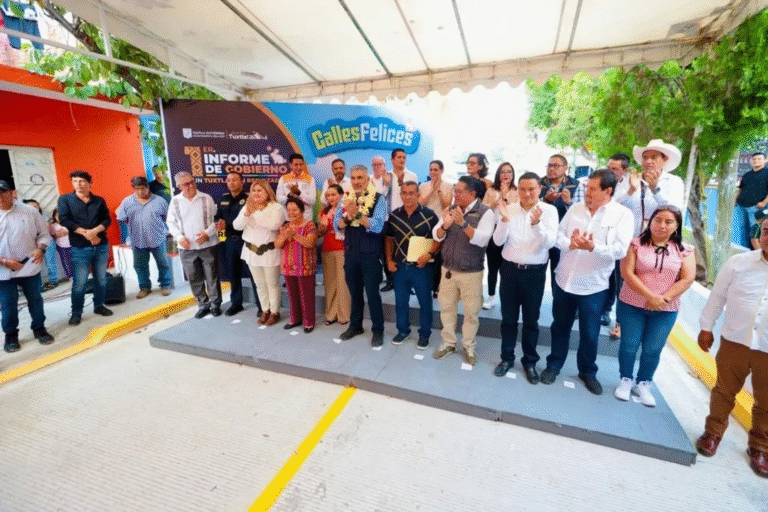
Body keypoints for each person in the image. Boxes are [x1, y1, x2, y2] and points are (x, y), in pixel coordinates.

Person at [540, 169, 633, 394]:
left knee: (590, 333)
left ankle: (587, 371)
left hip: (594, 285)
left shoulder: (622, 215)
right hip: (565, 280)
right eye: (587, 187)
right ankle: (554, 364)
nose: (586, 191)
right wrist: (571, 244)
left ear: (607, 191)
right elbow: (559, 237)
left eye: (592, 188)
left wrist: (593, 247)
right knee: (559, 326)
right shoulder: (575, 209)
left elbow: (620, 251)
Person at [696, 216, 768, 478]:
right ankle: (712, 433)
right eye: (767, 231)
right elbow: (718, 296)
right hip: (734, 341)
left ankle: (760, 447)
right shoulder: (739, 263)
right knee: (724, 391)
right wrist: (706, 327)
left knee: (767, 403)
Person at [614, 206, 695, 406]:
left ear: (677, 226)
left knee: (653, 348)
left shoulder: (684, 250)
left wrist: (663, 299)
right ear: (650, 221)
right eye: (658, 220)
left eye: (669, 222)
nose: (662, 225)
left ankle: (644, 383)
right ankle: (625, 379)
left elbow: (687, 278)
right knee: (630, 344)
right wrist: (650, 296)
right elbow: (627, 273)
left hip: (665, 310)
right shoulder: (635, 245)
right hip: (632, 304)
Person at [492, 172, 558, 382]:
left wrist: (536, 223)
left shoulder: (550, 211)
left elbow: (549, 244)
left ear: (540, 189)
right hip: (510, 271)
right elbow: (497, 240)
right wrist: (503, 219)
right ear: (517, 189)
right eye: (522, 189)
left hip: (535, 273)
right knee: (508, 320)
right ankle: (507, 358)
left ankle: (530, 362)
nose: (526, 193)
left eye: (531, 189)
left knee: (531, 321)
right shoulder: (509, 209)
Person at [432, 176, 494, 365]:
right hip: (448, 271)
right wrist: (445, 225)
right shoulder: (451, 209)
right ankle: (449, 343)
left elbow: (482, 240)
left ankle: (469, 346)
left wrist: (463, 224)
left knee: (471, 313)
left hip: (471, 273)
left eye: (459, 192)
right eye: (455, 191)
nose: (455, 195)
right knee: (447, 309)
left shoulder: (486, 213)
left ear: (472, 194)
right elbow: (436, 234)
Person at [334, 165, 388, 346]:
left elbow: (378, 226)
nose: (356, 181)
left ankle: (378, 330)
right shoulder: (344, 199)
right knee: (355, 293)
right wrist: (348, 217)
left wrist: (357, 213)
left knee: (373, 294)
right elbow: (337, 225)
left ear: (368, 179)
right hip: (351, 254)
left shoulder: (379, 199)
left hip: (371, 255)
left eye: (360, 178)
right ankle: (355, 326)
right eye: (354, 178)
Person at [0, 180, 54, 352]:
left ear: (12, 193)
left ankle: (39, 329)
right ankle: (11, 335)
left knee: (35, 298)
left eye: (3, 192)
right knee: (8, 303)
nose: (0, 197)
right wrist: (5, 261)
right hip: (3, 269)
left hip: (29, 266)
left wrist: (40, 249)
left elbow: (44, 235)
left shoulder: (29, 211)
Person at [385, 181, 439, 349]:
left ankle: (424, 334)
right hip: (400, 267)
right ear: (400, 195)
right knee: (401, 302)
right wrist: (389, 260)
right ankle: (403, 331)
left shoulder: (430, 215)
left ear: (418, 195)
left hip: (422, 268)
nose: (408, 196)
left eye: (411, 193)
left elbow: (439, 238)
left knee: (425, 302)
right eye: (404, 193)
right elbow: (389, 239)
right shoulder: (394, 215)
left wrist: (430, 254)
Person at [58, 170, 113, 326]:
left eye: (82, 181)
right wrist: (86, 233)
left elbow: (107, 219)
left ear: (90, 183)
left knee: (101, 278)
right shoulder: (65, 199)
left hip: (100, 245)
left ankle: (99, 305)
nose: (78, 184)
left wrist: (95, 231)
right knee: (80, 281)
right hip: (80, 246)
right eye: (75, 181)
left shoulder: (99, 201)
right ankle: (76, 312)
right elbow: (64, 220)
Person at [167, 172, 222, 319]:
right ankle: (203, 305)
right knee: (194, 278)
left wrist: (207, 233)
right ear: (179, 186)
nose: (191, 186)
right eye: (186, 184)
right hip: (187, 248)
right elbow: (170, 223)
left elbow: (216, 220)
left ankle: (216, 304)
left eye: (192, 182)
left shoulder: (206, 198)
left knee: (212, 276)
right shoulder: (175, 201)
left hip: (208, 245)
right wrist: (179, 237)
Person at [233, 179, 284, 326]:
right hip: (250, 251)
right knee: (259, 284)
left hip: (269, 251)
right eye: (254, 190)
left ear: (268, 193)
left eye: (260, 190)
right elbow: (237, 226)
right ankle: (265, 310)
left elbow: (274, 225)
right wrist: (246, 214)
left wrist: (254, 215)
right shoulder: (248, 207)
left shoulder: (276, 207)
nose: (256, 193)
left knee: (272, 283)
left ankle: (275, 312)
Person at [116, 176, 172, 299]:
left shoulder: (160, 201)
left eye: (143, 188)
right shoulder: (127, 202)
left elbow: (166, 218)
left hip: (157, 238)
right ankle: (145, 287)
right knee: (140, 265)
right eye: (137, 189)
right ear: (133, 189)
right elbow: (123, 219)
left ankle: (165, 285)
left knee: (163, 263)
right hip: (137, 240)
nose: (141, 191)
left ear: (148, 187)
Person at [215, 172, 261, 316]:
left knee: (254, 274)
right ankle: (236, 303)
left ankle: (261, 305)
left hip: (247, 241)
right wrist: (221, 237)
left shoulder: (250, 198)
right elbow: (218, 221)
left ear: (242, 182)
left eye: (235, 180)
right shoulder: (222, 199)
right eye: (228, 180)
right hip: (229, 242)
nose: (231, 183)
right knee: (233, 274)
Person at [602, 153, 633, 339]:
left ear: (624, 170)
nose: (610, 171)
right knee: (608, 278)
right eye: (609, 167)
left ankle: (620, 322)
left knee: (623, 282)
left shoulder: (632, 185)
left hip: (628, 240)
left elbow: (617, 203)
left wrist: (630, 191)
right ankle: (605, 310)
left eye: (614, 169)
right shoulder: (604, 182)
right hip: (607, 237)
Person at [275, 197, 317, 333]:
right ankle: (295, 319)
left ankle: (308, 322)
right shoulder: (286, 226)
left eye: (295, 210)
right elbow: (277, 245)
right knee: (292, 295)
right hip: (288, 266)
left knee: (306, 295)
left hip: (305, 266)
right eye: (288, 210)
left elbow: (310, 243)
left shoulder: (310, 225)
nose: (291, 213)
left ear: (302, 210)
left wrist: (295, 235)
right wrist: (284, 235)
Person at [482, 162, 518, 310]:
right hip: (493, 230)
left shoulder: (517, 191)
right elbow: (483, 209)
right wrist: (494, 200)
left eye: (509, 172)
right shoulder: (491, 190)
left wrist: (505, 197)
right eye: (503, 172)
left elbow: (516, 211)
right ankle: (491, 297)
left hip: (510, 232)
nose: (506, 174)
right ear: (498, 174)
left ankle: (508, 298)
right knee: (493, 267)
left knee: (508, 268)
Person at [539, 154, 579, 284]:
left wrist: (568, 202)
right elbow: (531, 208)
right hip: (541, 235)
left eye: (555, 165)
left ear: (565, 168)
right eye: (549, 165)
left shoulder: (576, 185)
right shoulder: (539, 184)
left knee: (559, 275)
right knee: (537, 274)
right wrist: (546, 200)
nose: (551, 169)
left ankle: (557, 302)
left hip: (563, 236)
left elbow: (580, 212)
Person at [317, 184, 350, 326]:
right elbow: (320, 233)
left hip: (343, 248)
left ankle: (344, 315)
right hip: (327, 248)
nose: (330, 198)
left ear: (341, 195)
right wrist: (322, 228)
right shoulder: (323, 212)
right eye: (328, 195)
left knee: (342, 283)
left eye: (333, 194)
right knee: (330, 283)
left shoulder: (346, 210)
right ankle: (330, 314)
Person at [419, 160, 452, 299]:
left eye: (436, 170)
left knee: (439, 257)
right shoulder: (423, 185)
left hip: (441, 223)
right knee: (426, 253)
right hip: (425, 223)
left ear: (442, 171)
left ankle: (437, 287)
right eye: (431, 169)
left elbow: (447, 205)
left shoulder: (448, 186)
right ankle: (426, 285)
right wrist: (431, 189)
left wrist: (438, 190)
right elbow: (420, 204)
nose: (433, 172)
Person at [23, 199, 58, 291]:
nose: (35, 208)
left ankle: (53, 281)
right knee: (35, 265)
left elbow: (47, 231)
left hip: (47, 243)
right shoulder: (23, 219)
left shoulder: (43, 217)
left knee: (50, 263)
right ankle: (39, 285)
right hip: (33, 246)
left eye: (36, 206)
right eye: (32, 207)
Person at [735, 152, 768, 248]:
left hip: (756, 208)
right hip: (741, 206)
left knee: (755, 232)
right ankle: (745, 251)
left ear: (764, 160)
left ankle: (759, 255)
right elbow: (740, 189)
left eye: (759, 159)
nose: (756, 161)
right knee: (743, 230)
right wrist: (735, 200)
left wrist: (764, 202)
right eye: (754, 159)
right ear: (751, 161)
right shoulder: (747, 175)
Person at [276, 153, 316, 221]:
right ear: (290, 165)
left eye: (301, 164)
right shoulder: (283, 179)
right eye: (296, 165)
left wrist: (299, 193)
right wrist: (289, 195)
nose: (299, 167)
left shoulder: (310, 179)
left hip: (305, 219)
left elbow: (312, 201)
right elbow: (279, 199)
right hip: (288, 219)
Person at [50, 209, 73, 280]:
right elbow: (52, 235)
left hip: (72, 244)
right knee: (66, 262)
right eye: (58, 215)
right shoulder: (54, 225)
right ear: (54, 216)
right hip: (62, 246)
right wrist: (57, 235)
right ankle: (70, 276)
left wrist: (67, 231)